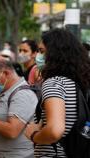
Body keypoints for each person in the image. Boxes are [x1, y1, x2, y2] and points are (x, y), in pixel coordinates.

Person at [24, 29, 90, 157]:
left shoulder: (54, 84)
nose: (38, 56)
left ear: (55, 54)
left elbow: (55, 130)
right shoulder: (75, 83)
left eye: (42, 51)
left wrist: (34, 135)